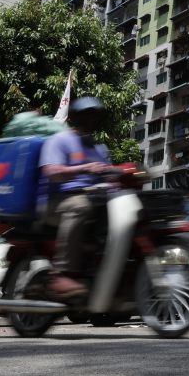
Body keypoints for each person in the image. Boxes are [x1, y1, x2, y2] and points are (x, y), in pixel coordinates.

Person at [39, 96, 112, 300]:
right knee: (80, 205)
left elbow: (111, 176)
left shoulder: (100, 149)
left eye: (95, 115)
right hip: (57, 201)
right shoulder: (60, 140)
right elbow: (52, 172)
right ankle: (62, 273)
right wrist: (84, 168)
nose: (91, 119)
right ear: (74, 118)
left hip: (96, 200)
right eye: (87, 115)